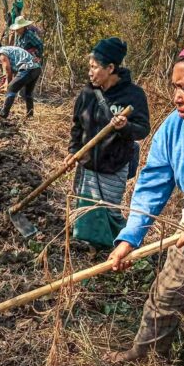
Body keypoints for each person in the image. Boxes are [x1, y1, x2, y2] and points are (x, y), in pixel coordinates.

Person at [105, 28, 184, 366]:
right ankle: (145, 361)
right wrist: (130, 236)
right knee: (164, 298)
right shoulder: (176, 127)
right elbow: (155, 181)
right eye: (175, 87)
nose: (176, 97)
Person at [63, 37, 150, 248]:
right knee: (86, 208)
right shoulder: (87, 93)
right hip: (88, 164)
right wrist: (73, 151)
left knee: (109, 211)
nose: (90, 72)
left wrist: (125, 127)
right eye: (89, 67)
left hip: (114, 165)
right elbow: (77, 126)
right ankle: (87, 244)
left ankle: (120, 245)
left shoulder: (133, 95)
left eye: (95, 67)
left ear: (111, 67)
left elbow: (142, 129)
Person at [0, 39, 41, 118]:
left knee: (11, 88)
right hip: (36, 68)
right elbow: (12, 73)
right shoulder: (8, 49)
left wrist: (8, 85)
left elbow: (7, 69)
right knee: (28, 92)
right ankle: (30, 115)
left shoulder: (2, 53)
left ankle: (3, 114)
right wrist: (5, 84)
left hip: (28, 68)